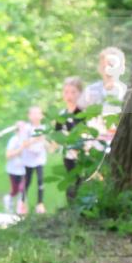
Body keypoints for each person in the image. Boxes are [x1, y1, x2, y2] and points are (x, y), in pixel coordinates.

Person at [82, 46, 127, 146]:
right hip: (95, 143)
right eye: (104, 66)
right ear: (99, 68)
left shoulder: (127, 93)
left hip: (120, 144)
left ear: (121, 68)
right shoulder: (90, 91)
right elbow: (82, 118)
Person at [56, 76, 85, 205]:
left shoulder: (84, 112)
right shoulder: (62, 114)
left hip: (84, 154)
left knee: (83, 181)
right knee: (71, 181)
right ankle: (71, 209)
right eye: (66, 92)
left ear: (80, 93)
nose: (70, 96)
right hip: (68, 154)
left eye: (73, 92)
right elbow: (57, 135)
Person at [21, 106, 48, 215]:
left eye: (38, 113)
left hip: (39, 159)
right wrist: (35, 139)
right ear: (29, 116)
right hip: (28, 160)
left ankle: (40, 203)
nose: (36, 116)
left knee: (41, 180)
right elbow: (24, 144)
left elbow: (48, 144)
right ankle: (22, 202)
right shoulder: (27, 128)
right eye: (34, 113)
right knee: (27, 181)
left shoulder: (44, 128)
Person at [4, 122, 29, 215]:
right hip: (13, 169)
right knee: (15, 190)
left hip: (24, 170)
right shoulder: (13, 140)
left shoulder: (28, 140)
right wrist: (20, 149)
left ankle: (21, 211)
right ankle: (8, 200)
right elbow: (8, 155)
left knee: (23, 189)